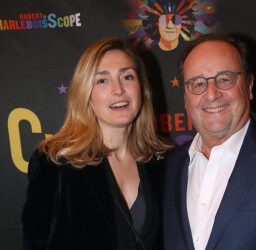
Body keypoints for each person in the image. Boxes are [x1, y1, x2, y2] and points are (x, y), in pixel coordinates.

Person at [22, 38, 170, 250]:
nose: (118, 90)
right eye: (102, 81)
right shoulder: (55, 163)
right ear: (86, 94)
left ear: (141, 88)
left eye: (127, 77)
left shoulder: (162, 160)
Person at [163, 33, 256, 250]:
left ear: (249, 86)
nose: (211, 94)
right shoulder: (167, 169)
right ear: (185, 98)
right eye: (197, 83)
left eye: (224, 79)